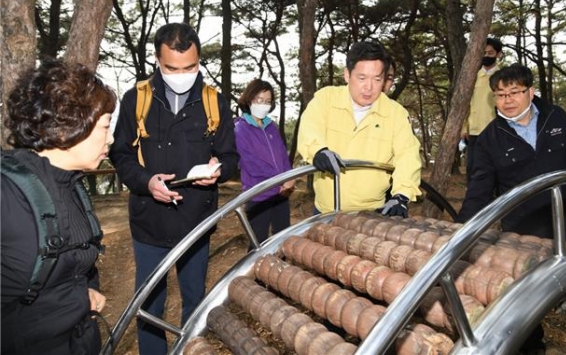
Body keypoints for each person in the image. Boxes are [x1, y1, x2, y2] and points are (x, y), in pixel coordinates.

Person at [109, 23, 238, 355]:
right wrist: (145, 181)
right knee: (149, 303)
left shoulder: (214, 102)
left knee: (195, 298)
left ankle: (189, 349)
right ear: (156, 60)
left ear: (198, 60)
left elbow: (230, 157)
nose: (182, 75)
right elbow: (120, 154)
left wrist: (218, 172)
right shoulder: (135, 99)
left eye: (191, 67)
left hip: (196, 220)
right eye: (172, 68)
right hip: (148, 221)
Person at [457, 64, 566, 355]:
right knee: (525, 295)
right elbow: (479, 191)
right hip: (524, 228)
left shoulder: (554, 117)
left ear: (530, 92)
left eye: (514, 92)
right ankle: (533, 348)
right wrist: (461, 231)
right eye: (500, 94)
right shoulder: (489, 139)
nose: (507, 100)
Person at [1, 59, 115, 354]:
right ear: (68, 127)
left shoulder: (72, 185)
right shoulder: (7, 194)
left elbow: (74, 267)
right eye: (105, 127)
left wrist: (86, 291)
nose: (111, 138)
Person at [297, 41, 422, 216]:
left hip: (371, 214)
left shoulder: (396, 114)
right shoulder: (326, 99)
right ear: (347, 75)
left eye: (377, 79)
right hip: (325, 211)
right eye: (361, 78)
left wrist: (401, 195)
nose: (369, 87)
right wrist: (318, 151)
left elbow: (408, 155)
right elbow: (310, 127)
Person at [234, 79, 295, 249]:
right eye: (259, 100)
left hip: (281, 194)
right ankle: (253, 276)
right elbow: (251, 163)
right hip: (259, 194)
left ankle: (279, 274)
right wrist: (280, 180)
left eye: (267, 101)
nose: (264, 105)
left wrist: (290, 177)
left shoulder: (271, 127)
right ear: (249, 99)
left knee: (283, 240)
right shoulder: (241, 129)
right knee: (257, 244)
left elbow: (283, 154)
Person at [461, 37, 503, 182]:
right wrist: (464, 128)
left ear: (498, 54)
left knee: (495, 169)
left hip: (495, 131)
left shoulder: (502, 77)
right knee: (472, 169)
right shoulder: (473, 77)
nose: (486, 56)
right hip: (473, 132)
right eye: (483, 53)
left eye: (490, 53)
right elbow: (466, 104)